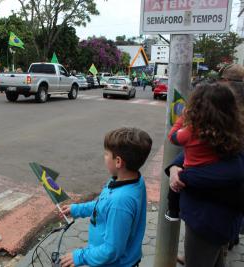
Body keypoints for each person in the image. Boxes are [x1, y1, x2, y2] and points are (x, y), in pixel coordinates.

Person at [167, 84, 244, 267]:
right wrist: (173, 168)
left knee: (199, 259)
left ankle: (173, 212)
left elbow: (232, 172)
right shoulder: (229, 133)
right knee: (215, 260)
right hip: (213, 218)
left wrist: (183, 176)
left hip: (208, 221)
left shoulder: (193, 132)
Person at [60, 127, 152, 267]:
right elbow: (102, 205)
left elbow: (112, 251)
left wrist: (80, 257)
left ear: (118, 162)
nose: (104, 157)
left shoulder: (120, 202)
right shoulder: (128, 180)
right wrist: (77, 209)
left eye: (106, 154)